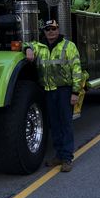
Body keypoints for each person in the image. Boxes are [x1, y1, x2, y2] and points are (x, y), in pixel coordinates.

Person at [24, 19, 82, 172]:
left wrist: (75, 92)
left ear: (58, 30)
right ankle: (58, 156)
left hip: (64, 91)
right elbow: (26, 44)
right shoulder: (40, 46)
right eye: (48, 29)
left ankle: (67, 158)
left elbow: (76, 69)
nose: (51, 32)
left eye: (54, 28)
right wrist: (28, 49)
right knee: (54, 125)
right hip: (48, 92)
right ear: (44, 31)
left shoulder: (68, 46)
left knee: (66, 125)